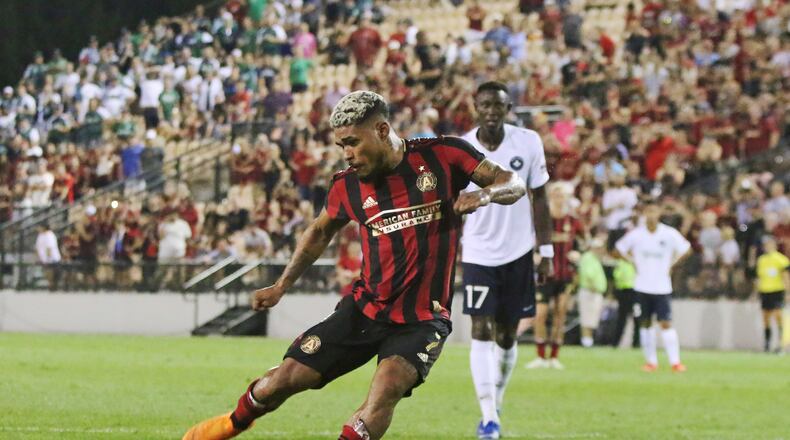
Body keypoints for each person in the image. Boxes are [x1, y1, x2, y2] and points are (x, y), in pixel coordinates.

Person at [182, 90, 527, 440]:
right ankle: (232, 424)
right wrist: (282, 285)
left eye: (352, 142)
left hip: (422, 320)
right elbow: (318, 232)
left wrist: (485, 194)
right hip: (364, 310)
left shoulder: (443, 155)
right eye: (340, 145)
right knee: (281, 382)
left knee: (385, 390)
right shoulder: (347, 186)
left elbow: (512, 182)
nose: (347, 154)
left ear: (381, 130)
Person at [459, 81, 552, 439]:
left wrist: (547, 251)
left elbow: (540, 198)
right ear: (476, 106)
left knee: (508, 335)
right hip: (480, 253)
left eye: (498, 105)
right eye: (485, 104)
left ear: (508, 107)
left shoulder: (528, 142)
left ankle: (495, 401)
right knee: (480, 329)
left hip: (518, 251)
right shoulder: (463, 146)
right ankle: (488, 418)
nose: (492, 111)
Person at [615, 201, 692, 372]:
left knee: (665, 322)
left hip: (662, 287)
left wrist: (672, 264)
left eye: (654, 211)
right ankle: (651, 362)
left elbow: (686, 248)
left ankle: (675, 362)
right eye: (648, 211)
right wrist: (632, 261)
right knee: (645, 323)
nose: (651, 215)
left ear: (659, 213)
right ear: (644, 213)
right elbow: (619, 249)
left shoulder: (669, 234)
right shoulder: (637, 234)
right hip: (642, 286)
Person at [526, 183, 579, 370]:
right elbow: (529, 241)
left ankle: (554, 357)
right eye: (555, 194)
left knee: (560, 314)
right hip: (544, 274)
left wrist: (577, 254)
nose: (558, 198)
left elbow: (583, 243)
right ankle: (541, 356)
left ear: (566, 198)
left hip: (565, 274)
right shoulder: (542, 219)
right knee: (540, 315)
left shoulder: (572, 221)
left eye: (561, 194)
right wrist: (534, 254)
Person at [754, 236, 789, 353]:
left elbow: (786, 277)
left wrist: (788, 292)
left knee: (778, 316)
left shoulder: (781, 259)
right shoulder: (761, 260)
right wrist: (756, 291)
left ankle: (781, 344)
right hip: (765, 291)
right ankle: (767, 344)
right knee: (766, 318)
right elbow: (759, 277)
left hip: (777, 291)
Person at [576, 236, 608, 347]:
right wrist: (593, 286)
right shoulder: (588, 257)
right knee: (587, 318)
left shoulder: (595, 258)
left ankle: (588, 341)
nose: (601, 250)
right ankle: (586, 341)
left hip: (595, 292)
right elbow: (588, 275)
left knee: (592, 318)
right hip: (590, 292)